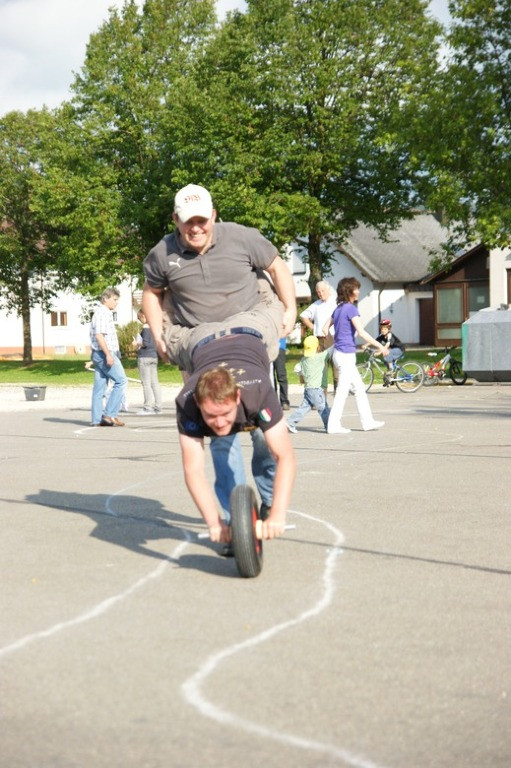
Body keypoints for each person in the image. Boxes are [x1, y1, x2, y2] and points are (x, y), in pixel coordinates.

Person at [142, 183, 296, 373]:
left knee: (245, 356)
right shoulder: (162, 253)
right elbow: (151, 292)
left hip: (250, 316)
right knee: (202, 386)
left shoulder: (241, 237)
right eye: (189, 221)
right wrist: (158, 336)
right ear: (175, 219)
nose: (196, 228)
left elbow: (276, 267)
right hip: (195, 330)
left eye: (202, 220)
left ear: (213, 216)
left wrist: (290, 309)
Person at [176, 332, 296, 545]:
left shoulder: (259, 391)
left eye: (225, 414)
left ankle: (267, 500)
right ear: (198, 402)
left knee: (264, 439)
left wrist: (278, 512)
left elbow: (285, 457)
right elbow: (193, 470)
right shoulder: (187, 403)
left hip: (249, 345)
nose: (220, 422)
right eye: (211, 415)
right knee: (221, 443)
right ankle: (235, 521)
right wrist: (215, 524)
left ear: (237, 397)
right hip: (206, 346)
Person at [323, 277, 388, 433]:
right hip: (346, 355)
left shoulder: (338, 309)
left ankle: (367, 422)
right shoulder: (351, 309)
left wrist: (335, 343)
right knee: (342, 391)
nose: (358, 291)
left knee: (359, 388)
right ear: (349, 291)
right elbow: (361, 332)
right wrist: (380, 345)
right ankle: (333, 425)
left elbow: (325, 329)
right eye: (356, 288)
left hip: (339, 353)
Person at [89, 287, 128, 427]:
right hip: (104, 353)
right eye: (114, 299)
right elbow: (99, 335)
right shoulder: (102, 313)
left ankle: (96, 419)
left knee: (99, 388)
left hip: (100, 353)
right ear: (105, 299)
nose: (116, 302)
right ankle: (109, 414)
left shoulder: (104, 313)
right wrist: (108, 355)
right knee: (122, 381)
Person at [286, 335, 331, 433]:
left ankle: (290, 422)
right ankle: (330, 425)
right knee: (323, 408)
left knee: (304, 408)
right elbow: (331, 350)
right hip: (316, 389)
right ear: (317, 347)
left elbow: (297, 369)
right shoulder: (320, 357)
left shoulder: (303, 359)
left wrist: (301, 375)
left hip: (308, 389)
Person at [300, 280, 338, 394]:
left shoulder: (335, 302)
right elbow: (303, 316)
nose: (321, 293)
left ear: (328, 290)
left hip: (334, 338)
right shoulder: (316, 305)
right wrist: (313, 327)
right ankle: (321, 399)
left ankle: (339, 396)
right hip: (319, 340)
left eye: (322, 291)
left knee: (336, 370)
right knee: (321, 371)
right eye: (318, 292)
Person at [134, 309, 162, 414]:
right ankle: (158, 407)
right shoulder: (155, 327)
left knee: (146, 383)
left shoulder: (145, 327)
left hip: (145, 357)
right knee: (155, 382)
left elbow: (145, 343)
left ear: (143, 315)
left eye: (139, 318)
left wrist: (136, 343)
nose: (140, 320)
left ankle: (147, 407)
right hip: (154, 356)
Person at [273, 337, 290, 410]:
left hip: (279, 346)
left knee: (281, 375)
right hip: (267, 347)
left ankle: (284, 401)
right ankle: (273, 401)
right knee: (270, 376)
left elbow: (287, 328)